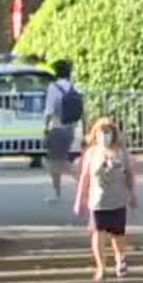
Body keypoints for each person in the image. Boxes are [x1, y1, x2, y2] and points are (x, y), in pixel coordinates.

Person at [72, 115, 138, 281]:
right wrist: (80, 199)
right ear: (95, 134)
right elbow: (85, 177)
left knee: (118, 235)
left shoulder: (122, 152)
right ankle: (101, 266)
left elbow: (130, 174)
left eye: (107, 132)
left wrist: (133, 195)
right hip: (98, 201)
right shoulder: (91, 153)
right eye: (101, 132)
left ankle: (120, 259)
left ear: (114, 134)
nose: (104, 136)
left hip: (118, 199)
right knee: (98, 233)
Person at [41, 59, 83, 203]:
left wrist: (45, 128)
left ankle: (81, 182)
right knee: (56, 160)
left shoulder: (54, 88)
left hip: (57, 128)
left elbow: (49, 111)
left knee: (56, 162)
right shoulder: (73, 87)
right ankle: (57, 192)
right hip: (70, 128)